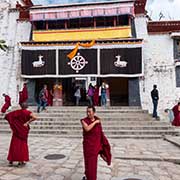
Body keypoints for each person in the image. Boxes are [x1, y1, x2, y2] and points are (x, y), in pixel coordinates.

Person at [81, 106, 111, 180]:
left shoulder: (98, 121)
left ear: (94, 112)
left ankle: (90, 177)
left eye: (90, 112)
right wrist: (95, 122)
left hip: (95, 146)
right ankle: (88, 176)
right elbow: (87, 129)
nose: (88, 114)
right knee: (88, 163)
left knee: (92, 165)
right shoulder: (84, 120)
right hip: (88, 147)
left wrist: (103, 144)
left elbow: (100, 133)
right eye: (87, 112)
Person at [5, 102, 37, 166]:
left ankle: (11, 160)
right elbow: (35, 117)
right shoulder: (27, 112)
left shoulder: (16, 112)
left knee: (14, 146)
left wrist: (14, 124)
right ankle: (21, 161)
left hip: (16, 131)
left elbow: (7, 116)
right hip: (23, 131)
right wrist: (27, 123)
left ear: (21, 106)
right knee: (22, 146)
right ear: (27, 107)